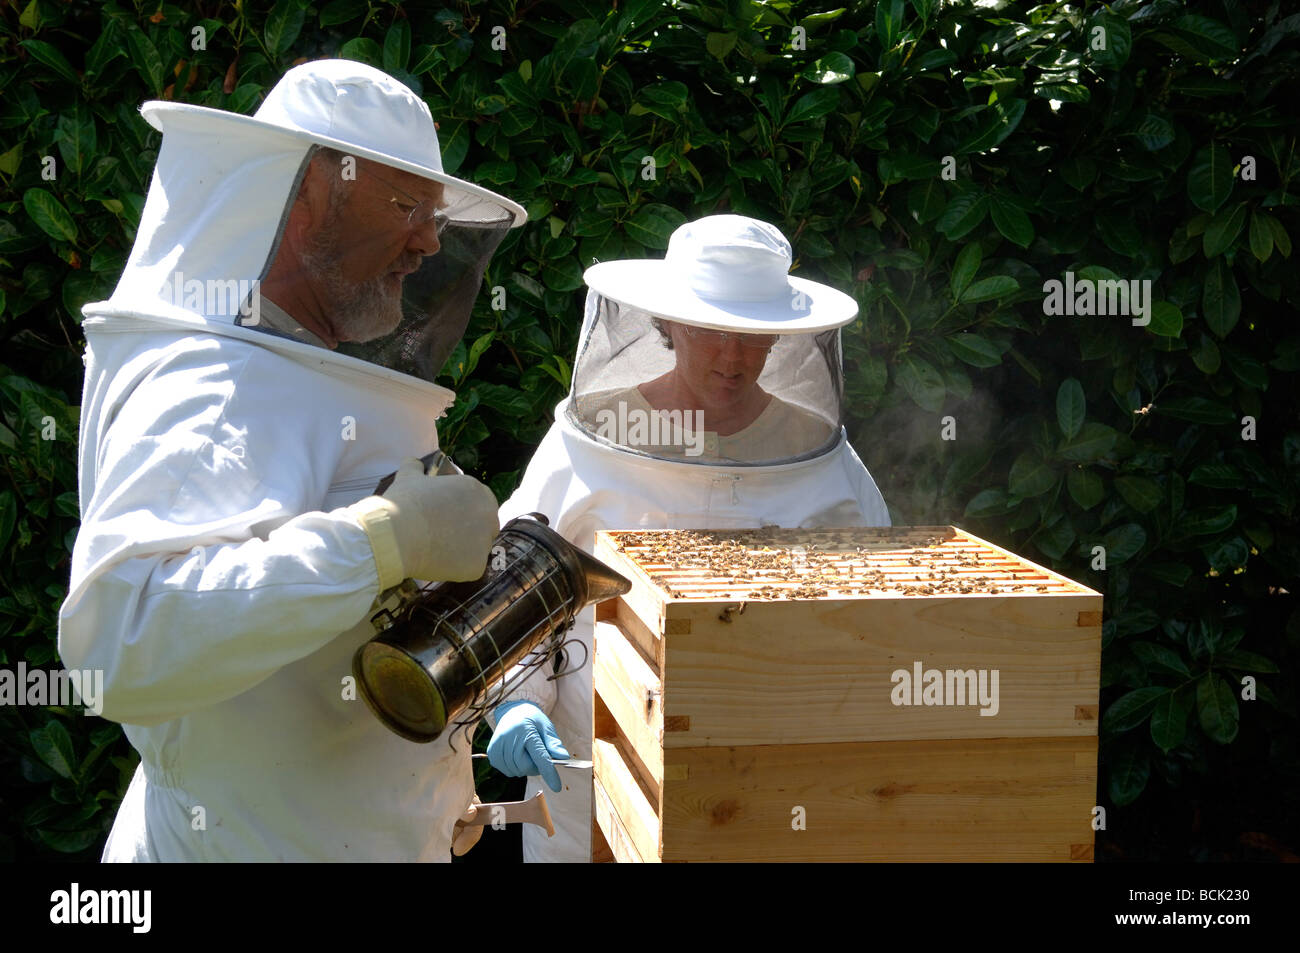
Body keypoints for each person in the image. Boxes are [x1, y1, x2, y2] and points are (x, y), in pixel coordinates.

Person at [57, 59, 547, 861]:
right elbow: (121, 641)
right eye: (404, 206)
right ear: (307, 192)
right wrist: (381, 538)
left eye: (434, 215)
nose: (428, 241)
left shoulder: (303, 370)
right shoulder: (214, 384)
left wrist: (437, 783)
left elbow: (328, 648)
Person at [489, 214, 892, 862]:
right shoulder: (590, 440)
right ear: (669, 323)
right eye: (709, 330)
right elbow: (516, 586)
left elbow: (876, 615)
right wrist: (515, 701)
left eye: (750, 335)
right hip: (585, 781)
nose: (731, 358)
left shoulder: (826, 469)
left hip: (760, 795)